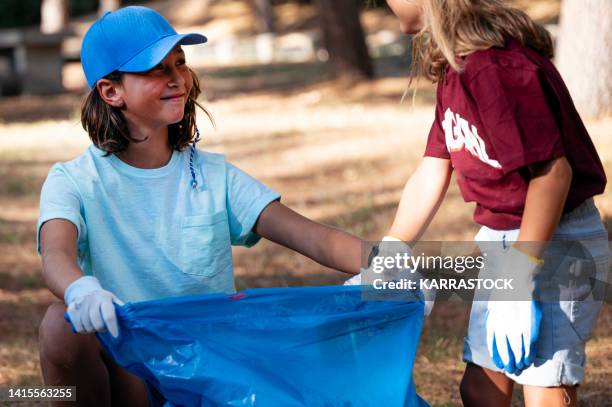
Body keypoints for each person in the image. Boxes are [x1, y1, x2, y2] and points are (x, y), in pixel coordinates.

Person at [37, 6, 362, 406]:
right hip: (129, 372)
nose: (177, 78)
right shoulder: (73, 180)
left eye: (181, 62)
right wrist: (80, 288)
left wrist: (392, 266)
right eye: (156, 68)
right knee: (59, 324)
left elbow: (314, 237)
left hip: (208, 371)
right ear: (111, 91)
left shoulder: (215, 176)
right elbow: (55, 255)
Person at [381, 1, 609, 406]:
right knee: (480, 390)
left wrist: (520, 281)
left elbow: (554, 175)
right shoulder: (458, 69)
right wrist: (390, 254)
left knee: (546, 391)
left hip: (556, 240)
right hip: (504, 242)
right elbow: (434, 169)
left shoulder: (496, 69)